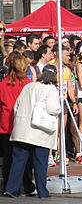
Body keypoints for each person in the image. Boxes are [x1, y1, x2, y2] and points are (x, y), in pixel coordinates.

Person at [4, 65, 60, 198]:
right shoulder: (50, 89)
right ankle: (42, 191)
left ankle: (11, 188)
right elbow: (52, 108)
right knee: (40, 163)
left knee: (18, 161)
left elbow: (17, 105)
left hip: (22, 130)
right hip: (40, 131)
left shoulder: (29, 86)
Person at [0, 52, 34, 192]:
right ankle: (27, 186)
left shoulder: (3, 83)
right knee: (26, 158)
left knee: (8, 159)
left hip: (6, 125)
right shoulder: (29, 84)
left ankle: (8, 186)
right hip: (24, 125)